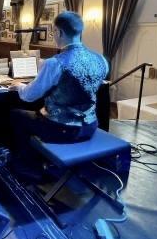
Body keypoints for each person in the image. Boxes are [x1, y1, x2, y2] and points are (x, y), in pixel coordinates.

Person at [9, 11, 109, 152]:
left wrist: (19, 85)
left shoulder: (55, 63)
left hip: (61, 129)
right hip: (90, 126)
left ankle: (26, 161)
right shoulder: (101, 59)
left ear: (59, 32)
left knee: (15, 114)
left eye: (54, 32)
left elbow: (29, 96)